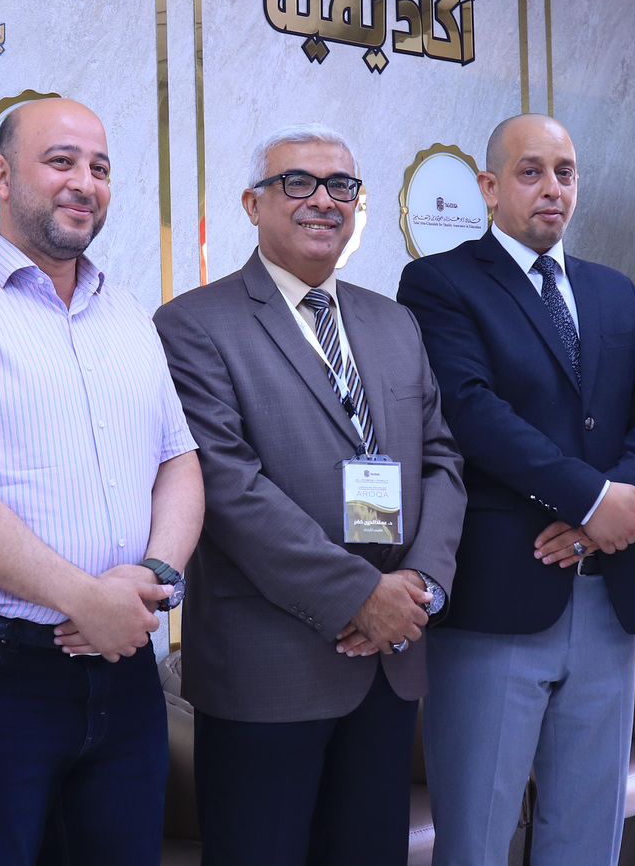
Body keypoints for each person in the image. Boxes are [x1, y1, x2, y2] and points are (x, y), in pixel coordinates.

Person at [0, 97, 204, 866]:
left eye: (100, 167)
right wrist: (84, 598)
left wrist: (155, 576)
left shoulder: (128, 314)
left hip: (125, 671)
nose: (84, 183)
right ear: (0, 177)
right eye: (61, 162)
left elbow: (180, 462)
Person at [154, 124, 466, 866]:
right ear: (252, 204)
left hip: (388, 662)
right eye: (297, 182)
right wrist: (361, 595)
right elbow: (229, 488)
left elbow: (442, 460)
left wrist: (421, 586)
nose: (323, 200)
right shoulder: (194, 325)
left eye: (341, 186)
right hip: (269, 670)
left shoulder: (394, 322)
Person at [397, 113, 635, 866]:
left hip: (605, 598)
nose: (552, 188)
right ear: (489, 188)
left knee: (586, 837)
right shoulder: (440, 284)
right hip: (498, 602)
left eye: (565, 172)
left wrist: (613, 509)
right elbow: (472, 412)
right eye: (530, 172)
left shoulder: (611, 291)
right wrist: (592, 500)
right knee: (478, 840)